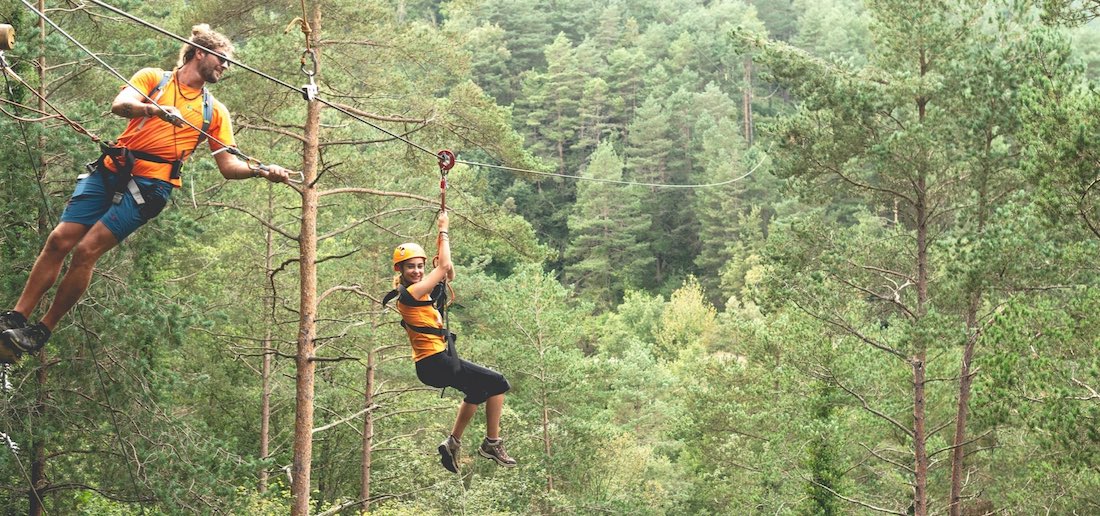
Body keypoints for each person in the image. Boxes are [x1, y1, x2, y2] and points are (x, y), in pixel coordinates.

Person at [0, 24, 291, 362]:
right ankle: (16, 316)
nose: (225, 67)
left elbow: (228, 166)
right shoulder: (155, 79)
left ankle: (42, 330)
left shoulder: (215, 111)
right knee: (59, 240)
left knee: (85, 250)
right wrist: (154, 110)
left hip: (152, 186)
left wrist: (262, 170)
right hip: (113, 168)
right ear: (200, 53)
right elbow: (120, 105)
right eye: (222, 60)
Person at [385, 211, 516, 473]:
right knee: (498, 382)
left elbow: (448, 273)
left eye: (421, 266)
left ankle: (453, 442)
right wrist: (443, 229)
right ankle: (492, 442)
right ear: (399, 270)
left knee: (478, 392)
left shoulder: (421, 290)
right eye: (410, 267)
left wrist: (442, 245)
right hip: (436, 363)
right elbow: (443, 268)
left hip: (433, 365)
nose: (417, 271)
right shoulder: (410, 293)